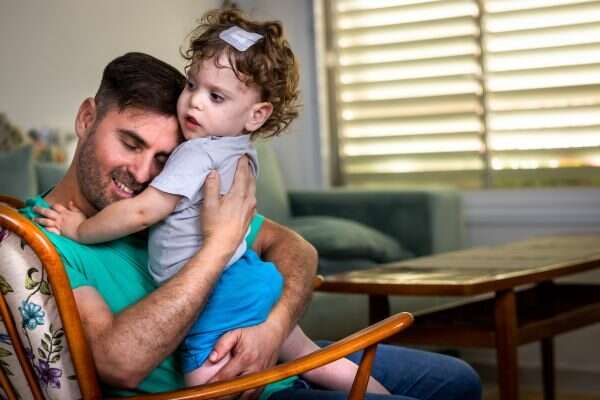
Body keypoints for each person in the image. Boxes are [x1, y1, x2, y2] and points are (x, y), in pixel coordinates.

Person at [20, 34, 481, 400]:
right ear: (87, 118)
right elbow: (120, 363)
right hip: (232, 391)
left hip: (274, 353)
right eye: (130, 143)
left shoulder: (174, 192)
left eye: (163, 158)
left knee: (460, 379)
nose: (143, 174)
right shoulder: (41, 241)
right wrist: (218, 248)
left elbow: (297, 250)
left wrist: (272, 331)